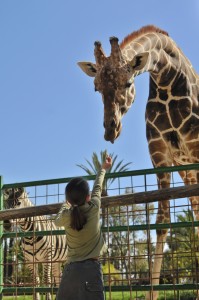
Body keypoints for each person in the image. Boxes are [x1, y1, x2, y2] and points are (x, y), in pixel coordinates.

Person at [55, 155, 112, 300]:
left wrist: (64, 205)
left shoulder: (66, 215)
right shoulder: (94, 207)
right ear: (88, 197)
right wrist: (103, 169)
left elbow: (57, 220)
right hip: (91, 271)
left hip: (71, 271)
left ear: (68, 200)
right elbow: (98, 187)